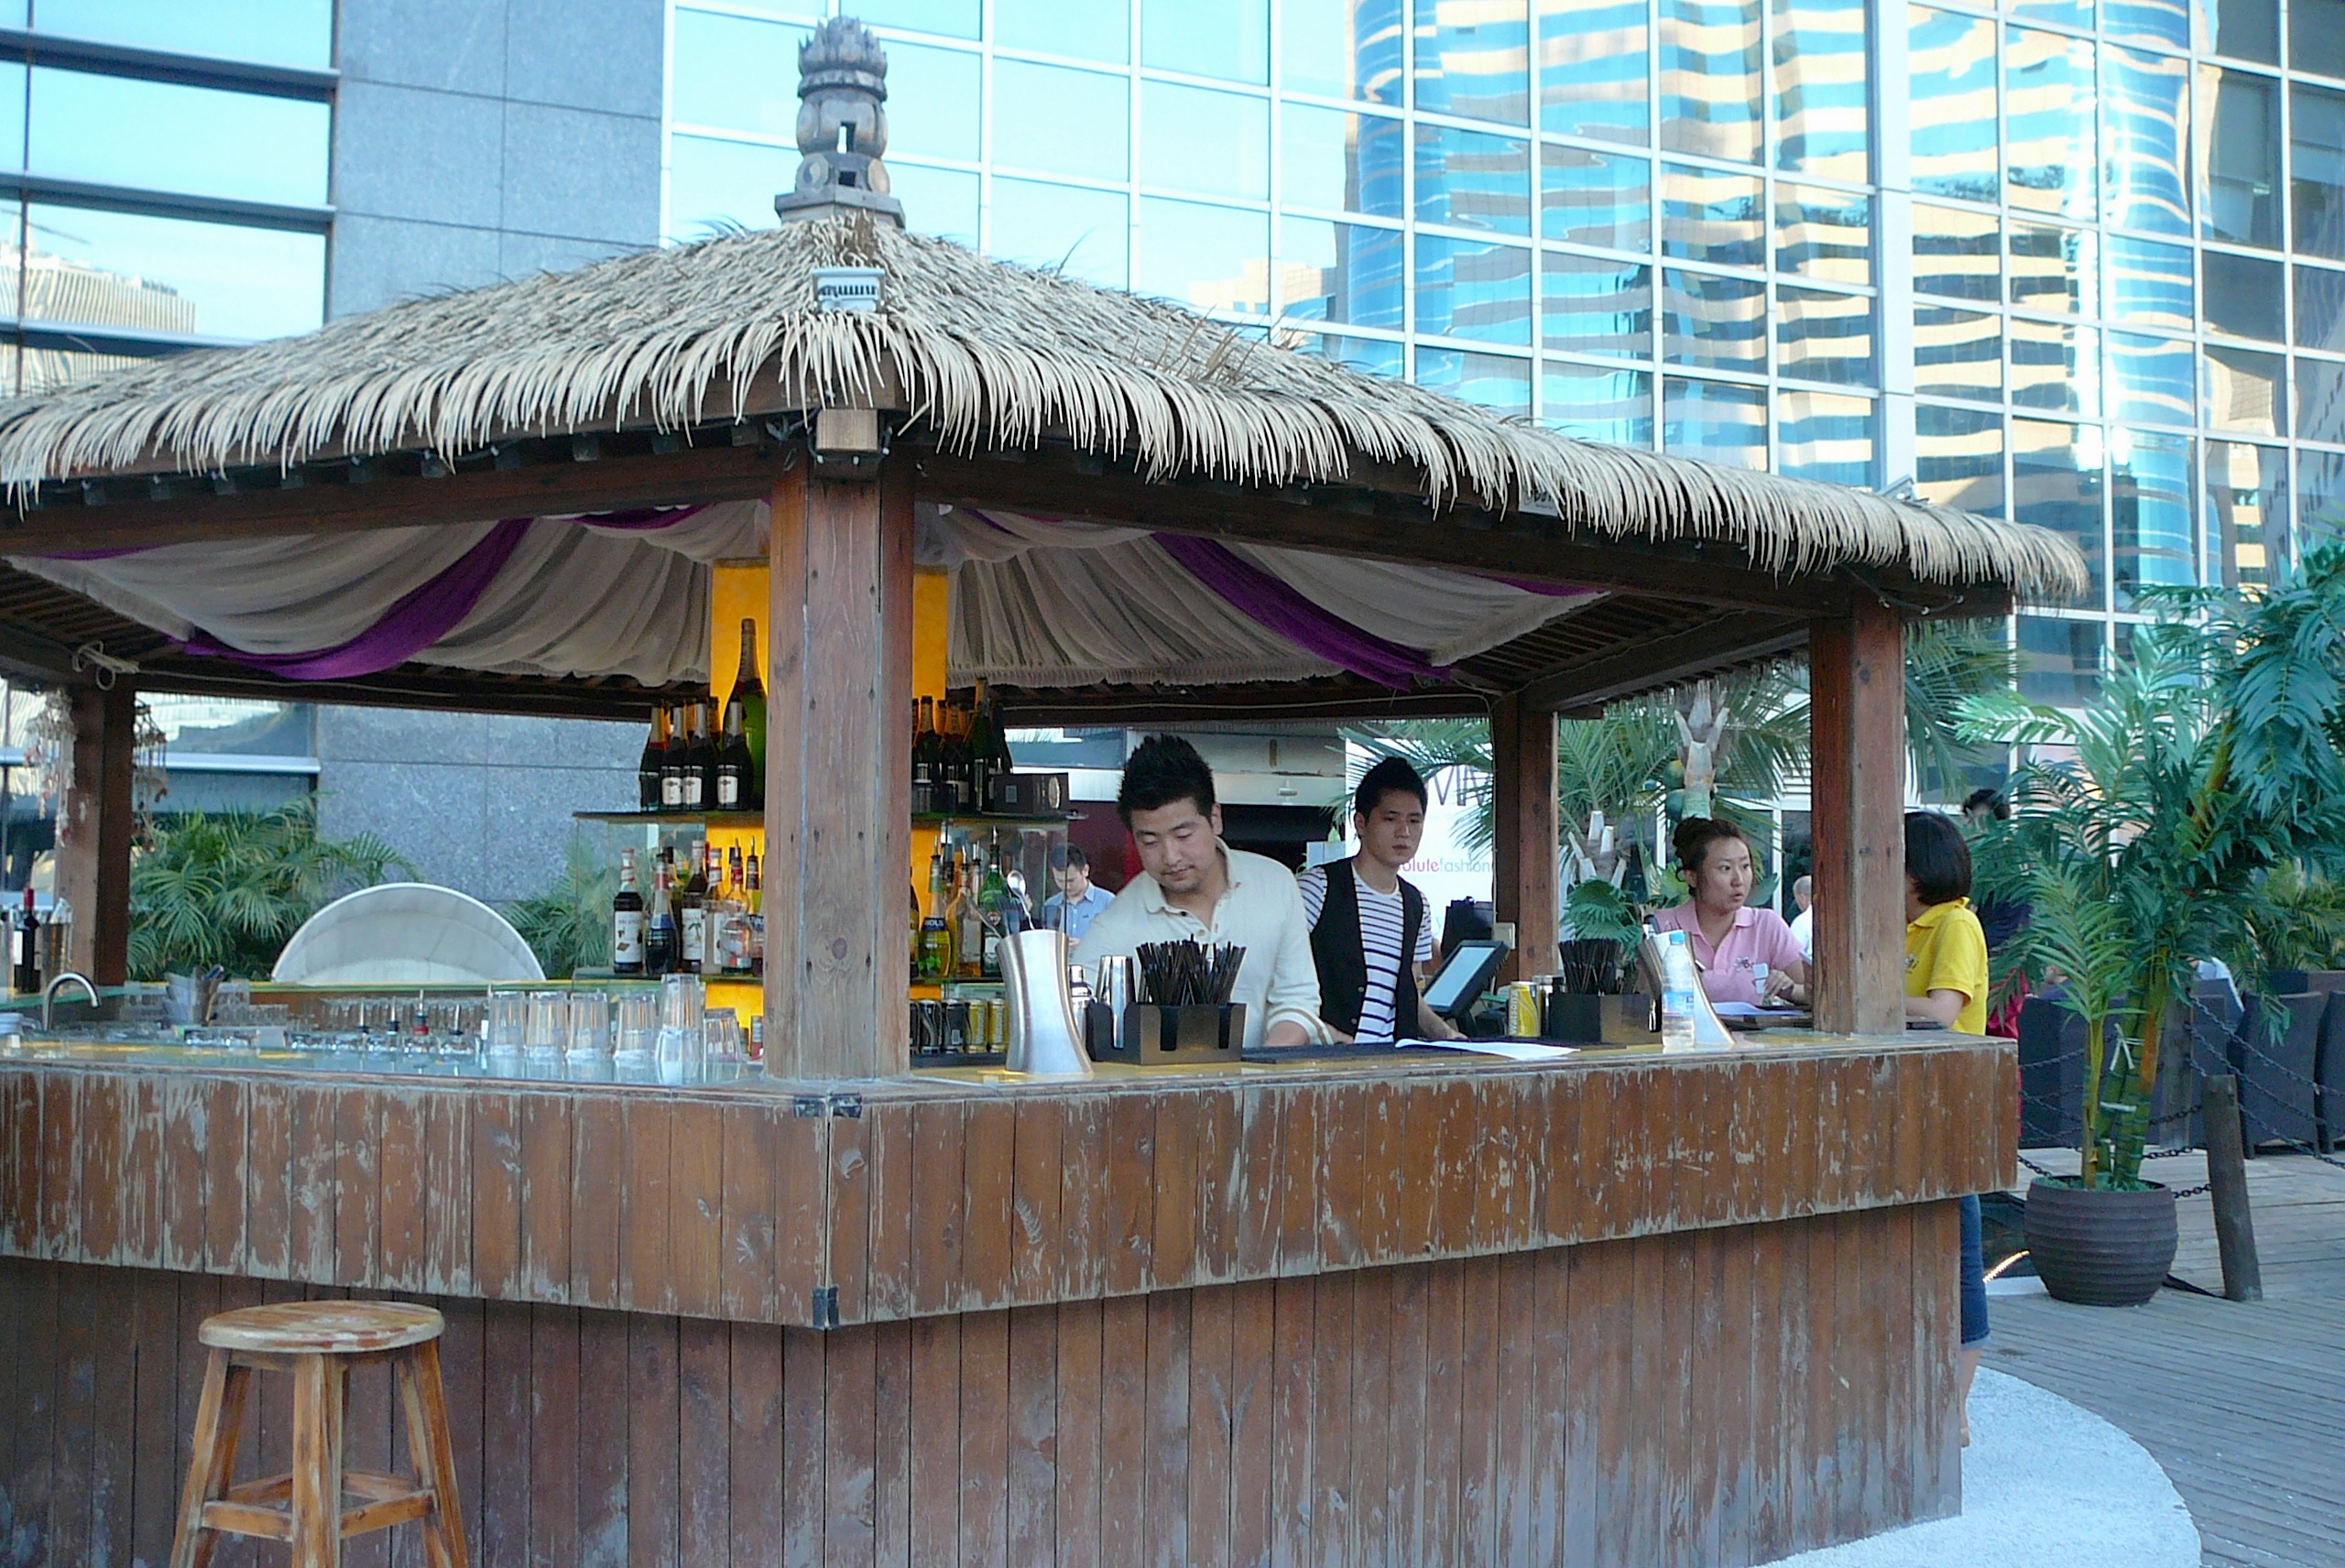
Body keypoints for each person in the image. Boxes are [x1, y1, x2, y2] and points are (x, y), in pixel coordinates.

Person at [1075, 735, 1326, 1051]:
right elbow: (1074, 1014)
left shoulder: (1275, 884)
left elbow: (1297, 999)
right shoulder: (1116, 924)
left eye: (1183, 835)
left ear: (1215, 818)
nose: (1171, 856)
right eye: (1150, 841)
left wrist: (1260, 1068)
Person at [1903, 810, 1991, 1445]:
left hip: (1950, 1105)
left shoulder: (1957, 923)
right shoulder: (1903, 928)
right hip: (1907, 1104)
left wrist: (1853, 989)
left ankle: (1956, 1406)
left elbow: (1940, 1011)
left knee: (1960, 1245)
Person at [1296, 757, 1461, 1042]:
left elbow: (1409, 994)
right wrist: (1324, 1033)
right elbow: (1277, 981)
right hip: (1325, 1058)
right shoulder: (1318, 888)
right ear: (1361, 823)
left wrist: (1446, 1034)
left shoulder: (1416, 904)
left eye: (1414, 821)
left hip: (1390, 1060)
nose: (1404, 832)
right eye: (1390, 819)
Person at [1648, 818, 1810, 1007]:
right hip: (1682, 1027)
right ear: (1692, 877)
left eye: (1745, 866)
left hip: (1750, 1028)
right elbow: (1645, 1003)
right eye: (1725, 868)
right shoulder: (1662, 927)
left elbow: (1816, 993)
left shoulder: (1765, 925)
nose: (1738, 880)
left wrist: (1790, 990)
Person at [1042, 845, 1114, 943]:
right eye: (1060, 881)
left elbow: (1120, 941)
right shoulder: (1051, 905)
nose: (1066, 886)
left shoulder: (1108, 902)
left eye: (1071, 880)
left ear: (1085, 870)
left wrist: (1086, 945)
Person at [1786, 874, 1815, 960]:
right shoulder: (1833, 917)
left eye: (1796, 899)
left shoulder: (1801, 921)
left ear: (1802, 898)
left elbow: (1791, 955)